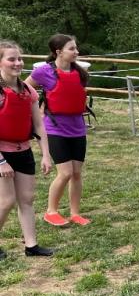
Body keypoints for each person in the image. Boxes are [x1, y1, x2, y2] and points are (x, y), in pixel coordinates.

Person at [25, 34, 91, 226]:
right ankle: (51, 211)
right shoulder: (43, 71)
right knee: (65, 173)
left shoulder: (80, 72)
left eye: (76, 48)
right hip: (55, 129)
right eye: (72, 48)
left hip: (78, 128)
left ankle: (75, 213)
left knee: (76, 173)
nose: (76, 52)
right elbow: (24, 89)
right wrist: (37, 109)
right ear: (58, 51)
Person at [0, 40, 54, 259]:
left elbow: (39, 125)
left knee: (27, 198)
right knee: (6, 201)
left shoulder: (28, 90)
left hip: (23, 150)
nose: (17, 63)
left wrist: (46, 155)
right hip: (2, 154)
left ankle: (31, 246)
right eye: (11, 59)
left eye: (20, 58)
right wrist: (1, 161)